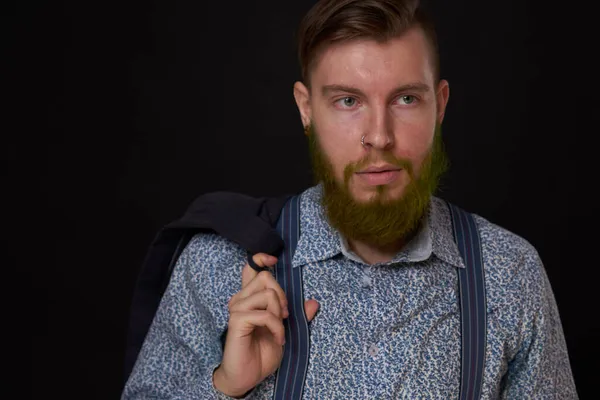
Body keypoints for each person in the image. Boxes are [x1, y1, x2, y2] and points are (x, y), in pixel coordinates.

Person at [122, 0, 578, 398]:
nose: (378, 137)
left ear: (439, 105)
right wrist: (225, 386)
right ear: (306, 109)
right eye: (347, 101)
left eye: (405, 99)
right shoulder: (216, 265)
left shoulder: (510, 273)